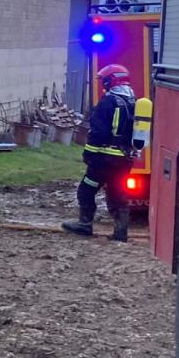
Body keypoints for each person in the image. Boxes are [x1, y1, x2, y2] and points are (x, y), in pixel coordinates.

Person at [63, 64, 136, 242]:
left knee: (86, 190)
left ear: (111, 80)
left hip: (104, 159)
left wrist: (88, 154)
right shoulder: (133, 101)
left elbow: (98, 133)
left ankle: (84, 224)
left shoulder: (108, 102)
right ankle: (121, 232)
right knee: (117, 193)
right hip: (124, 160)